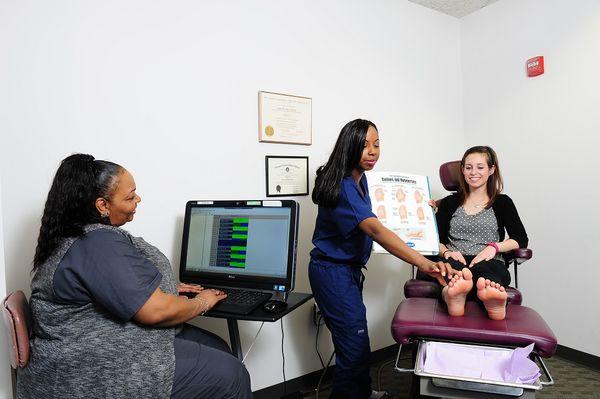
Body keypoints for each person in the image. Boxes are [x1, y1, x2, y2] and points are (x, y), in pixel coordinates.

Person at [18, 154, 252, 399]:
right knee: (231, 373)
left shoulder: (79, 236)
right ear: (102, 205)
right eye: (130, 197)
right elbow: (156, 312)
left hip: (92, 345)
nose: (138, 199)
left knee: (218, 347)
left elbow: (108, 285)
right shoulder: (97, 243)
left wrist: (167, 288)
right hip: (90, 364)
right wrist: (203, 301)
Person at [308, 119, 454, 399]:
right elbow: (374, 228)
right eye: (364, 146)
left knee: (354, 341)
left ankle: (361, 392)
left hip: (345, 272)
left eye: (377, 144)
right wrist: (425, 263)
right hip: (333, 273)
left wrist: (419, 213)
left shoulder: (358, 179)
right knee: (354, 344)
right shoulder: (344, 186)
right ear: (348, 146)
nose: (372, 151)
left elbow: (377, 221)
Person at [434, 146, 528, 321]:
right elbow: (434, 240)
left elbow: (520, 239)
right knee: (454, 271)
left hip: (489, 260)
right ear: (462, 170)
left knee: (485, 272)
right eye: (468, 167)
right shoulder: (448, 203)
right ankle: (453, 295)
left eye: (480, 167)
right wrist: (446, 252)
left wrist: (494, 247)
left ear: (492, 170)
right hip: (455, 258)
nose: (473, 172)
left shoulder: (502, 202)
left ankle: (490, 297)